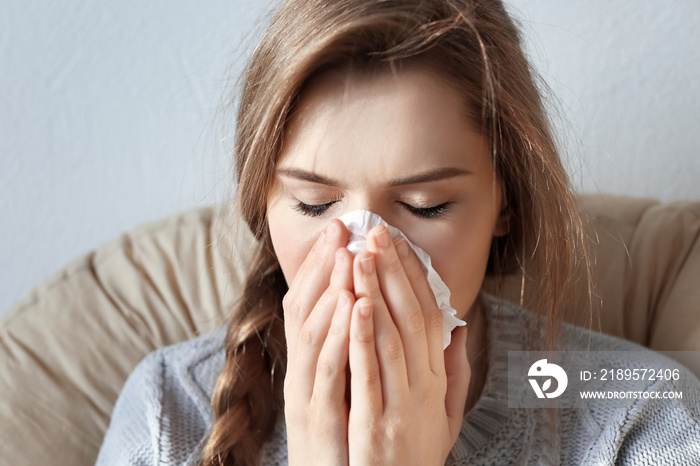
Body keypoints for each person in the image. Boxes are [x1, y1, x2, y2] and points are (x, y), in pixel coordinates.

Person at [96, 0, 700, 464]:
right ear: (263, 203)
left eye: (426, 205)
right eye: (313, 204)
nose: (364, 256)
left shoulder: (632, 409)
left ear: (505, 203)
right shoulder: (169, 409)